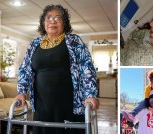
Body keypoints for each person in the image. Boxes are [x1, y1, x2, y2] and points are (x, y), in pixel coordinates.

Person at [15, 4, 99, 134]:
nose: (52, 21)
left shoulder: (74, 41)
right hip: (42, 105)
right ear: (43, 23)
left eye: (58, 18)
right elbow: (25, 69)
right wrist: (21, 91)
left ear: (64, 23)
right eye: (48, 18)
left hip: (69, 105)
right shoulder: (34, 44)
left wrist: (90, 95)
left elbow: (87, 68)